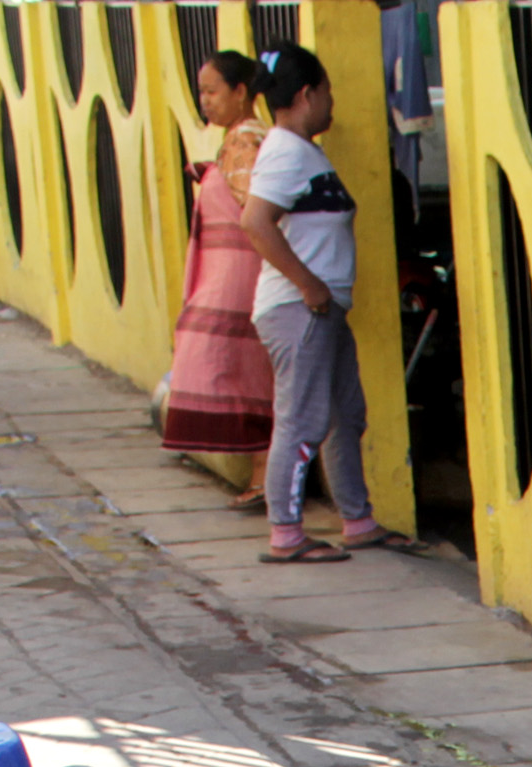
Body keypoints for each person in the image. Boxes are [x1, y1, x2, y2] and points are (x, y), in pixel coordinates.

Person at [240, 45, 403, 563]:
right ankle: (286, 533)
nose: (333, 102)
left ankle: (358, 519)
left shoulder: (301, 150)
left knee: (343, 414)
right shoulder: (286, 151)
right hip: (300, 309)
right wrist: (309, 285)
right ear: (308, 94)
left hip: (320, 310)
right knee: (303, 419)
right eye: (328, 91)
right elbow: (255, 222)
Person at [158, 49, 274, 498]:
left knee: (240, 370)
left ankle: (266, 477)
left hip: (242, 274)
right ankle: (261, 476)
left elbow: (254, 208)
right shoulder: (240, 139)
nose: (204, 100)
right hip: (238, 273)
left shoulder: (246, 141)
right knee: (251, 374)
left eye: (212, 91)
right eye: (201, 92)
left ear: (241, 92)